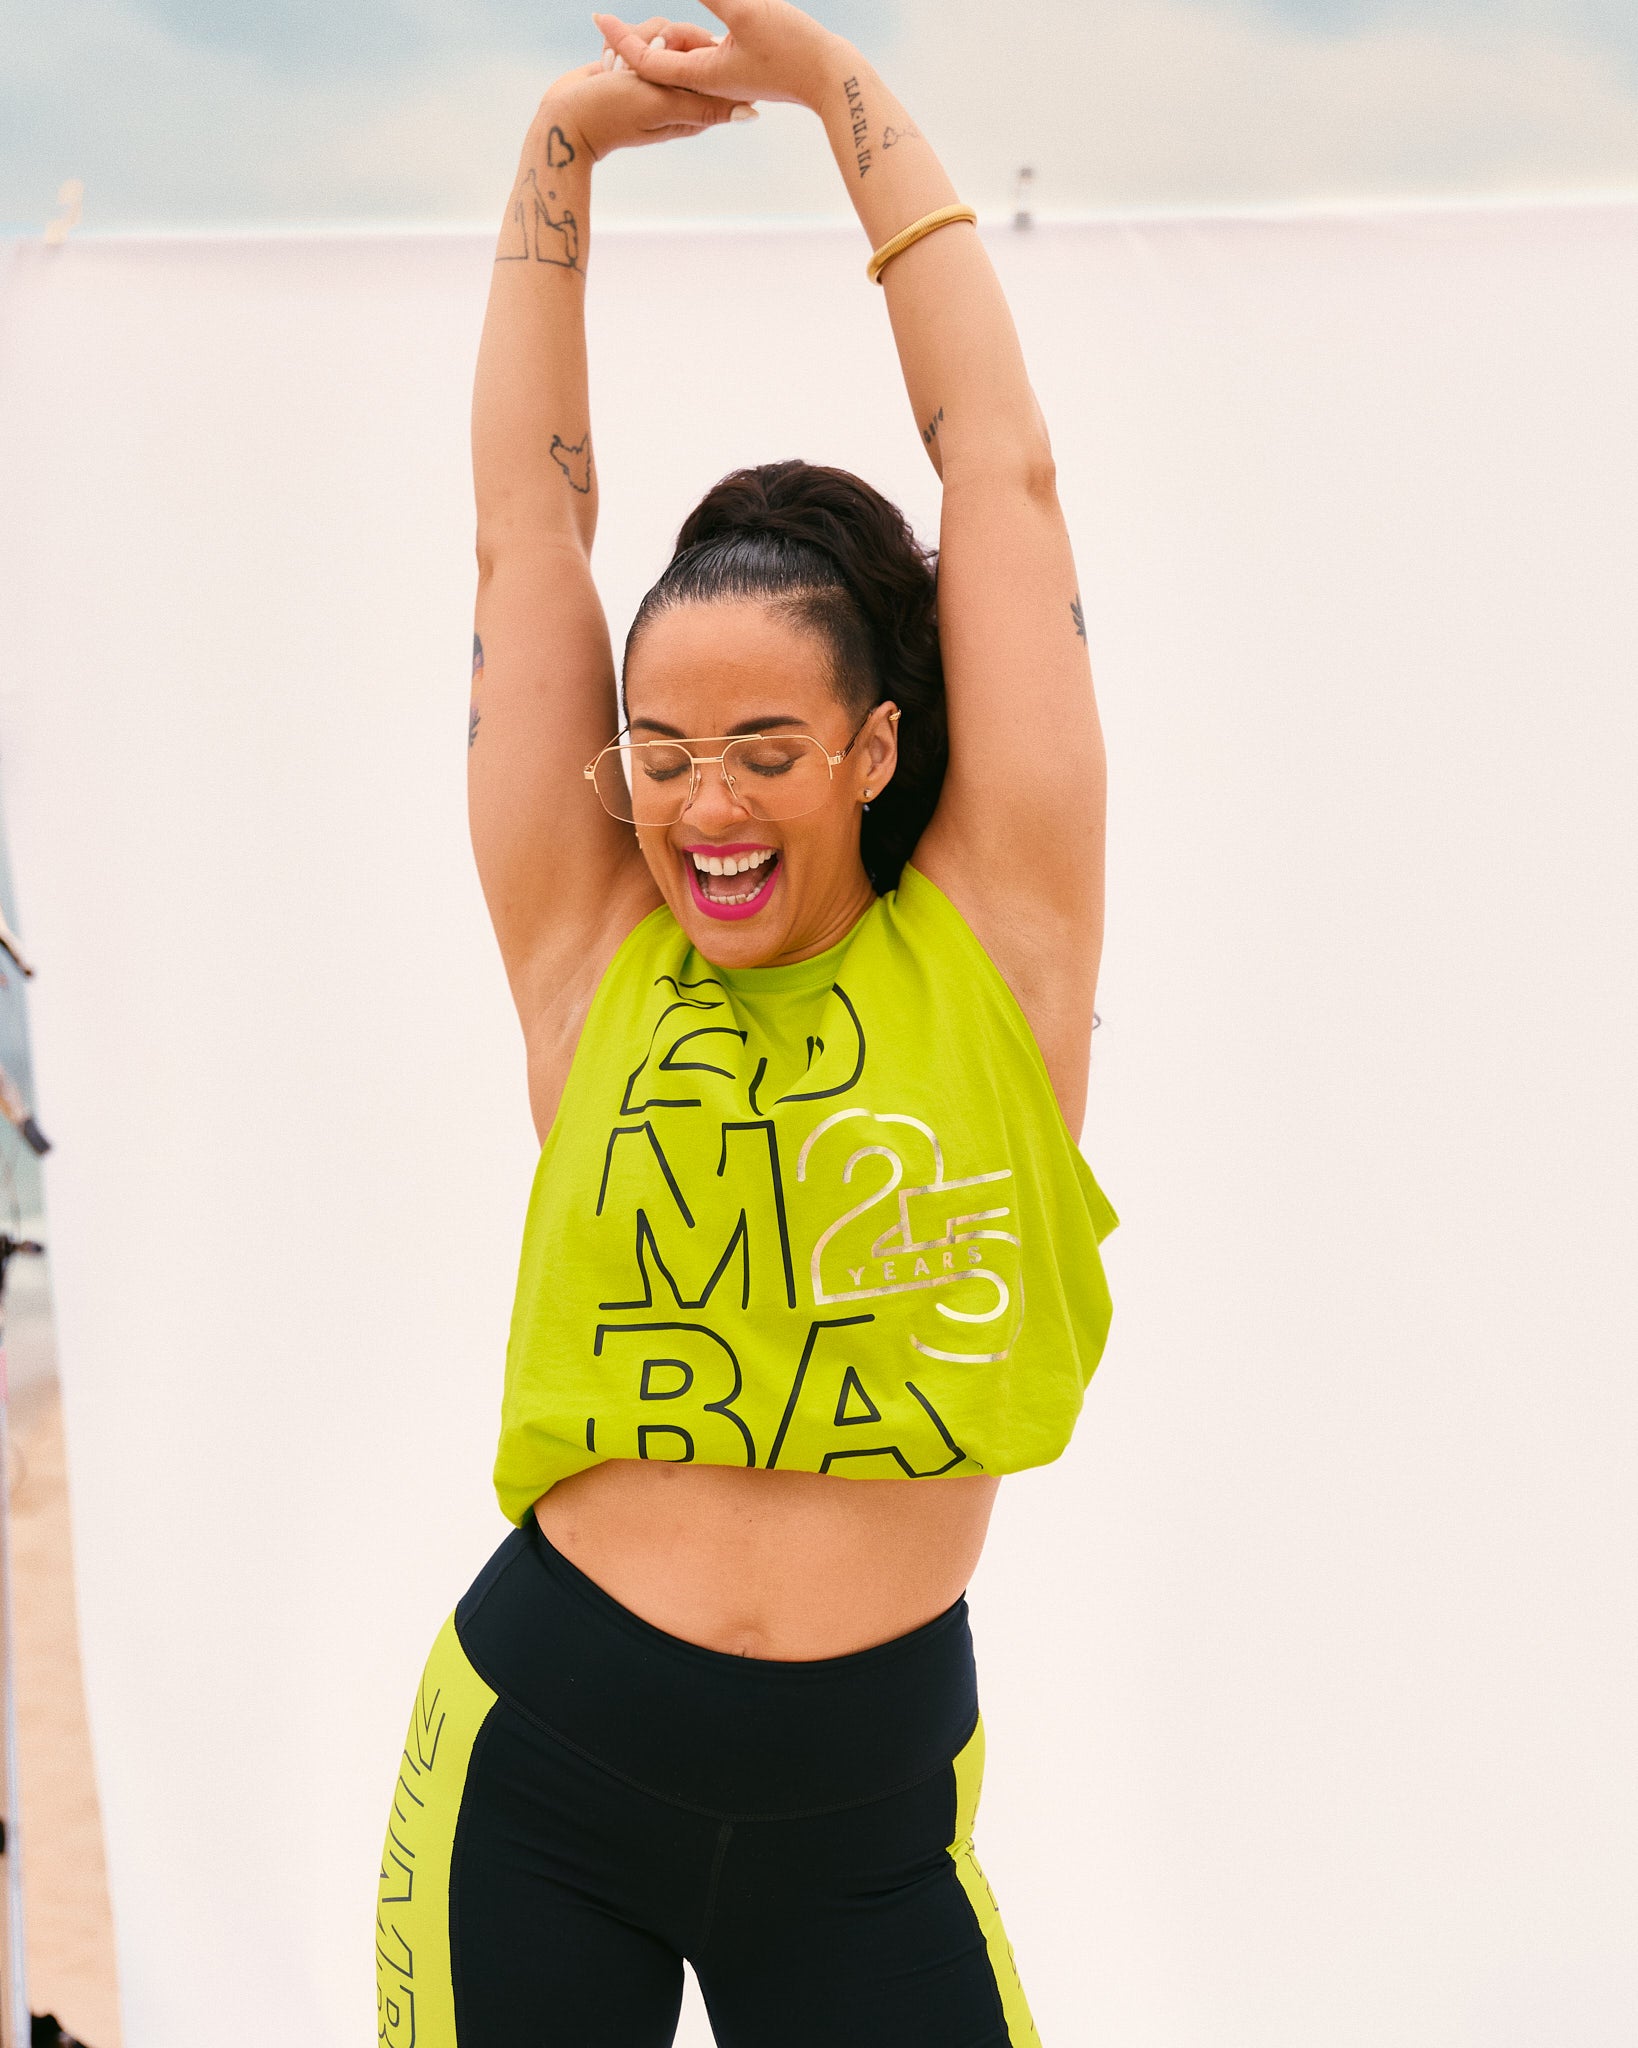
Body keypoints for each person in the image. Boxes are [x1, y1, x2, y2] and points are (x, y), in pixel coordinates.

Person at [375, 5, 1116, 2043]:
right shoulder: (587, 949)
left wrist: (826, 88)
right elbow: (526, 537)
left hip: (865, 1818)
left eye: (767, 747)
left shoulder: (1003, 942)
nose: (704, 799)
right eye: (666, 748)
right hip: (535, 1783)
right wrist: (559, 153)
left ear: (879, 747)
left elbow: (1003, 465)